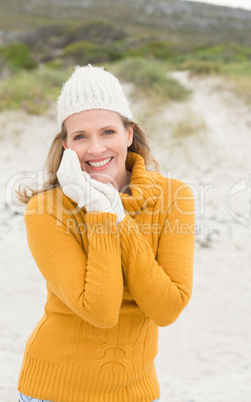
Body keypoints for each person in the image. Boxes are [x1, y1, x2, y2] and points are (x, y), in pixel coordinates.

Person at [17, 64, 195, 402]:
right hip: (54, 390)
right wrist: (99, 212)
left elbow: (167, 308)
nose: (96, 149)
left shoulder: (174, 197)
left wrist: (116, 216)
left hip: (136, 391)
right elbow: (100, 310)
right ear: (65, 145)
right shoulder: (45, 209)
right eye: (80, 136)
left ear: (129, 134)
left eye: (108, 132)